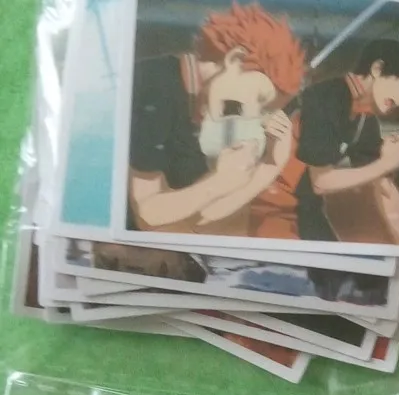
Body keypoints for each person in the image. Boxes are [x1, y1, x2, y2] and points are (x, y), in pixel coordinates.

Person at [127, 2, 306, 236]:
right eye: (259, 98)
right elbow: (147, 216)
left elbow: (201, 217)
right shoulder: (156, 85)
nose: (253, 115)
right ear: (236, 59)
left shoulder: (210, 107)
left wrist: (270, 165)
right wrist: (218, 182)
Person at [250, 39, 399, 248]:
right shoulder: (326, 97)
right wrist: (385, 164)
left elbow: (386, 189)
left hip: (307, 210)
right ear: (377, 69)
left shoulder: (364, 118)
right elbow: (321, 182)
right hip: (272, 208)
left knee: (342, 268)